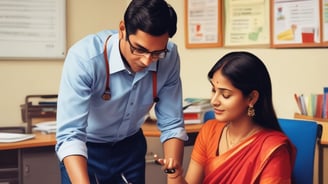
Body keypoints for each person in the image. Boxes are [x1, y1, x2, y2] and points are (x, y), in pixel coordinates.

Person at [55, 0, 188, 183]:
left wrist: (173, 173)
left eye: (157, 53)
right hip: (85, 151)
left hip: (130, 149)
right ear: (122, 29)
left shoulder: (170, 57)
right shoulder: (84, 58)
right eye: (139, 49)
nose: (147, 61)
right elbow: (70, 135)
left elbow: (172, 124)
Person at [158, 51, 297, 183]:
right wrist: (175, 176)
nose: (214, 101)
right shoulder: (209, 131)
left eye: (225, 95)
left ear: (251, 98)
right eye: (213, 90)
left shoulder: (272, 150)